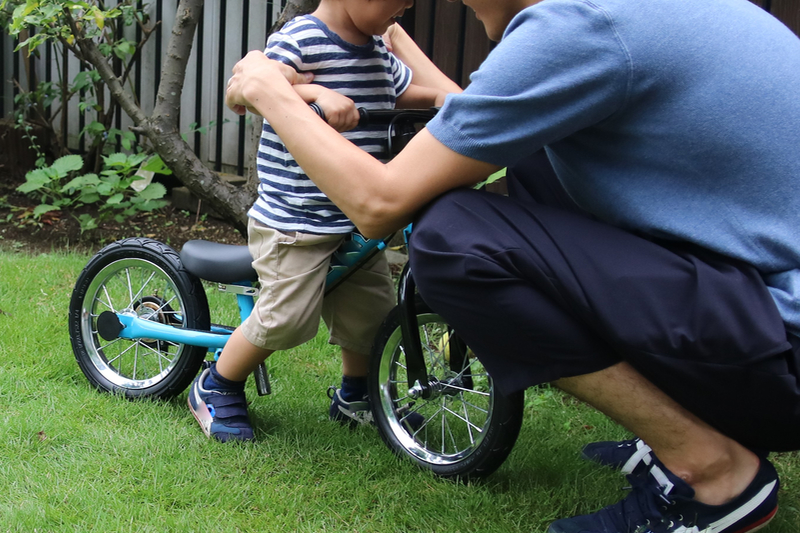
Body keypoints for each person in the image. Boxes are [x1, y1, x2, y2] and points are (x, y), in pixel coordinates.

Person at [224, 0, 800, 531]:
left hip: (780, 350)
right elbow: (467, 109)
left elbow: (379, 204)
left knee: (452, 239)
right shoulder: (625, 13)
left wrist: (266, 89)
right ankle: (696, 424)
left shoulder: (577, 28)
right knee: (532, 163)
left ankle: (713, 472)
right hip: (766, 319)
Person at [188, 0, 451, 443]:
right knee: (286, 318)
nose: (405, 6)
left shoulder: (377, 51)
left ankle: (356, 396)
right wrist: (316, 94)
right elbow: (247, 91)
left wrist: (441, 99)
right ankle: (217, 383)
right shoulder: (303, 38)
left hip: (354, 221)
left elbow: (403, 92)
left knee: (371, 318)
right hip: (296, 219)